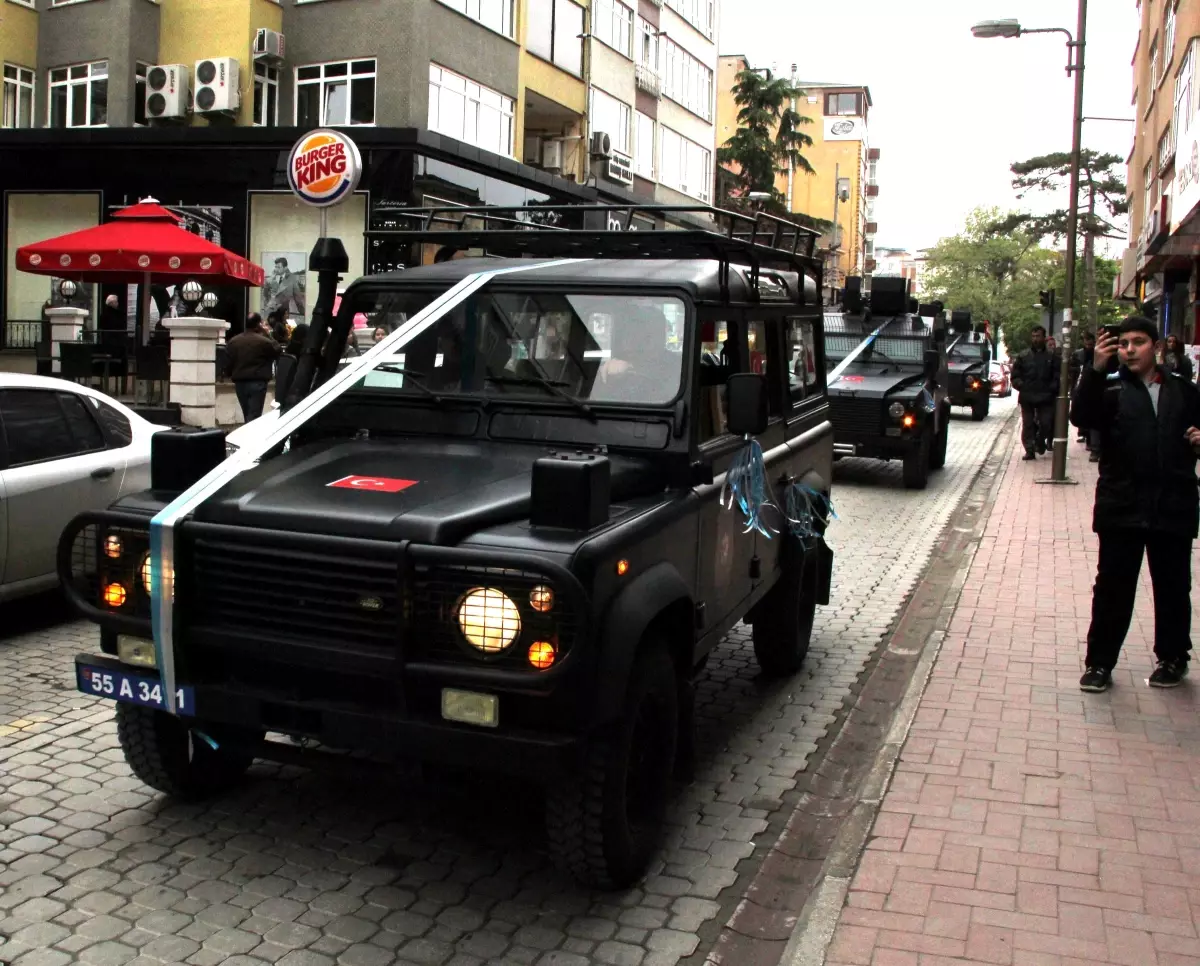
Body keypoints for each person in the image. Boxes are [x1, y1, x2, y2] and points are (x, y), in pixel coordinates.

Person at [1070, 316, 1200, 692]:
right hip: (1121, 506)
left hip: (1172, 505)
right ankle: (1099, 664)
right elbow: (1081, 415)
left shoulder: (1184, 392)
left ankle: (1173, 658)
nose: (1129, 349)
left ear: (1156, 348)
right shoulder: (1109, 390)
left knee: (1174, 586)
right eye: (1123, 343)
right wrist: (1094, 368)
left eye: (1138, 342)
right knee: (1113, 588)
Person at [1009, 325, 1059, 460]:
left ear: (1044, 337)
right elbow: (1015, 376)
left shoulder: (1051, 356)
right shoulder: (1024, 356)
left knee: (1046, 423)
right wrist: (1022, 386)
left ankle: (1040, 440)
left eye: (1038, 336)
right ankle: (1029, 449)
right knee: (1028, 423)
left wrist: (1053, 388)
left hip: (1045, 396)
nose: (1035, 339)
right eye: (1033, 336)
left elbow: (1057, 375)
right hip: (1028, 396)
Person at [223, 314, 281, 422]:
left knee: (247, 413)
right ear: (258, 325)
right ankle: (249, 437)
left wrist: (230, 374)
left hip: (240, 383)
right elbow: (277, 350)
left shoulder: (234, 341)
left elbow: (228, 362)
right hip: (257, 382)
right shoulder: (264, 342)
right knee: (254, 415)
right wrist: (267, 334)